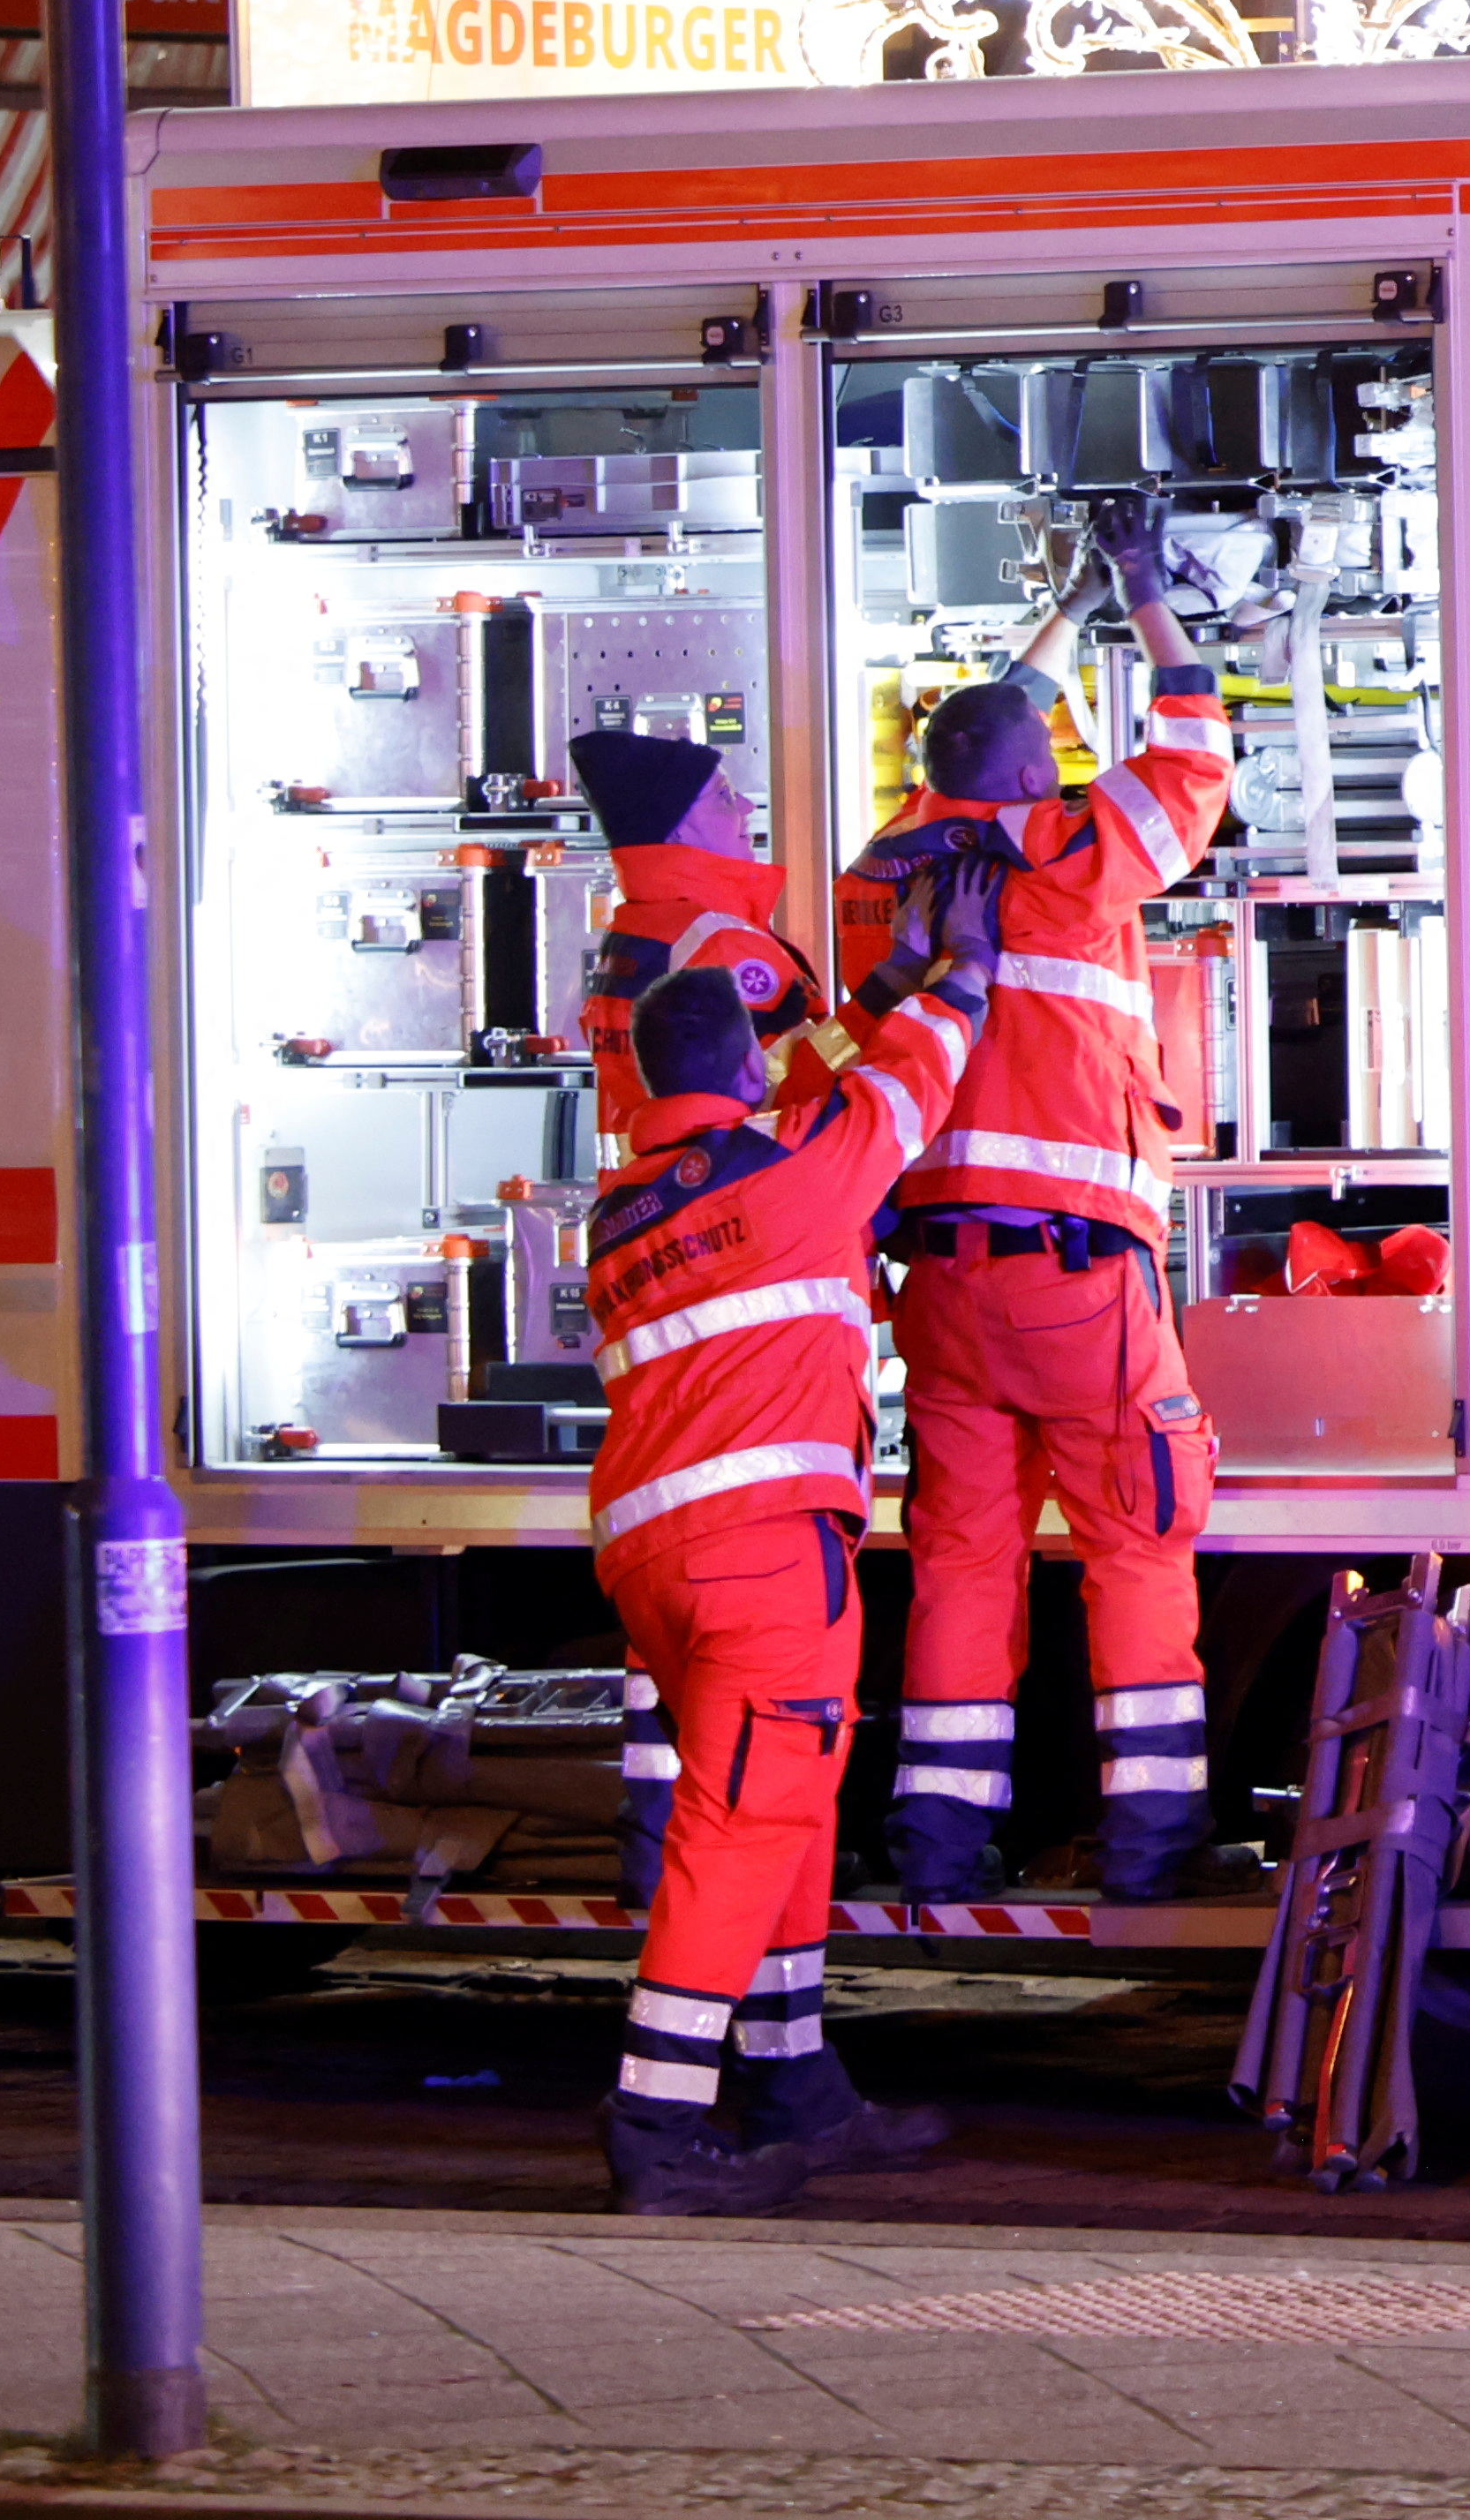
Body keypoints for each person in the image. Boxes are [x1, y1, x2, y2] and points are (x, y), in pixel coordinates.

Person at [585, 887, 995, 2212]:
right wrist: (956, 971)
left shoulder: (626, 1211)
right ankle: (657, 2125)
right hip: (762, 1553)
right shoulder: (797, 1170)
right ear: (748, 1067)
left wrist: (865, 1009)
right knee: (746, 1822)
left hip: (658, 1554)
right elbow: (906, 1090)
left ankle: (795, 2081)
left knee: (788, 1811)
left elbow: (813, 1104)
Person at [866, 530, 1243, 1906]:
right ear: (1037, 778)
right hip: (1080, 1285)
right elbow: (1197, 754)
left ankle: (940, 1842)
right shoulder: (1076, 852)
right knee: (1136, 1543)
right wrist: (1143, 598)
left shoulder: (895, 867)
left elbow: (976, 734)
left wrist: (1060, 611)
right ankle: (1150, 1843)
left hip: (948, 1291)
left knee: (963, 1564)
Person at [569, 727, 800, 1137]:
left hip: (661, 1183)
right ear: (675, 829)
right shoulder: (723, 943)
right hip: (736, 1185)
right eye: (724, 797)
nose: (745, 806)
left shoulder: (631, 932)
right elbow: (802, 1087)